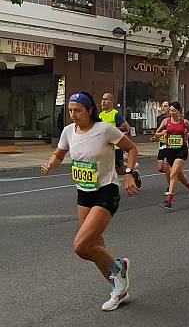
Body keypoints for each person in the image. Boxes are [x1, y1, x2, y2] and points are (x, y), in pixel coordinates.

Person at [41, 91, 139, 311]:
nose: (73, 114)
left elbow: (131, 148)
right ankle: (118, 290)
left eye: (77, 110)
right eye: (70, 110)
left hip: (106, 192)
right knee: (95, 245)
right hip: (83, 193)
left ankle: (118, 269)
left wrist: (130, 173)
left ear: (89, 110)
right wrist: (51, 163)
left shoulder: (104, 129)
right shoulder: (68, 131)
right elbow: (58, 154)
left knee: (81, 246)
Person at [154, 102, 189, 210]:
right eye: (171, 111)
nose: (172, 113)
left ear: (179, 111)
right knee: (181, 176)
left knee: (173, 174)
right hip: (170, 151)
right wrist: (162, 133)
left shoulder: (185, 122)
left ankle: (169, 201)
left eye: (174, 111)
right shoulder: (166, 121)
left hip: (181, 151)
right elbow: (156, 134)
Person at [99, 93, 141, 188]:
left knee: (119, 170)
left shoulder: (115, 114)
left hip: (116, 147)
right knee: (105, 167)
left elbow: (127, 128)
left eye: (106, 99)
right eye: (102, 99)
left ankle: (133, 172)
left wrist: (112, 129)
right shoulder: (101, 115)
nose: (103, 102)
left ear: (111, 101)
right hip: (105, 147)